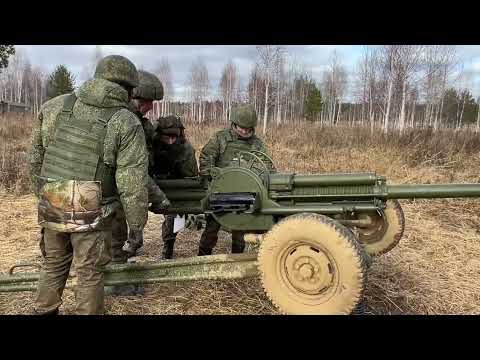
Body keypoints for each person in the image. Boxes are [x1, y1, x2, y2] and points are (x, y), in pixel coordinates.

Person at [28, 55, 148, 315]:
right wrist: (137, 226)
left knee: (53, 263)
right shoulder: (125, 121)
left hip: (54, 196)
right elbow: (132, 183)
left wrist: (44, 195)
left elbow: (36, 158)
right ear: (128, 88)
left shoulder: (54, 107)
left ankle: (43, 311)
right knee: (90, 272)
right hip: (91, 204)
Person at [110, 70, 170, 263]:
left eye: (152, 102)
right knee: (114, 231)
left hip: (132, 181)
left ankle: (131, 246)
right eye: (146, 102)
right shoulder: (121, 121)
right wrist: (158, 195)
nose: (150, 107)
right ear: (132, 97)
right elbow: (133, 169)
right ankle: (115, 273)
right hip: (117, 184)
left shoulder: (140, 123)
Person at [197, 104, 269, 256]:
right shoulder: (220, 138)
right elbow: (206, 157)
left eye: (248, 129)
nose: (244, 131)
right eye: (241, 128)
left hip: (244, 194)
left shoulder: (257, 144)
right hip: (220, 192)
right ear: (234, 124)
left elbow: (265, 166)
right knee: (211, 229)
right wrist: (211, 175)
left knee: (240, 230)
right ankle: (203, 257)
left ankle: (236, 260)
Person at [150, 115, 198, 259]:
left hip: (176, 186)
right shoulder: (150, 146)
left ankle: (168, 248)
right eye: (167, 137)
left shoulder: (186, 149)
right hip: (151, 183)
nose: (171, 141)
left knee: (174, 217)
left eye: (174, 137)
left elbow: (191, 177)